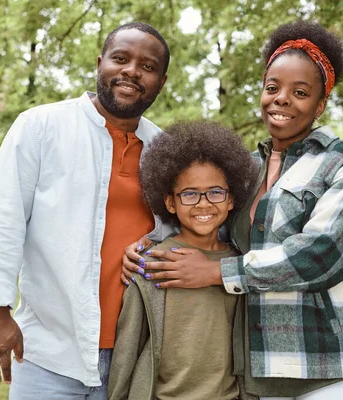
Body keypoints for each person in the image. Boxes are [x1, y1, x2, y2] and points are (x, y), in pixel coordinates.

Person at [123, 21, 343, 400]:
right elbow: (204, 220)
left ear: (320, 104)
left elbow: (322, 255)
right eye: (272, 88)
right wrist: (146, 246)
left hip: (338, 365)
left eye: (300, 92)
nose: (281, 99)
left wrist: (218, 272)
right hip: (264, 371)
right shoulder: (245, 171)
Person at [0, 22, 172, 400]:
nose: (131, 71)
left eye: (148, 66)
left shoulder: (164, 148)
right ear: (100, 63)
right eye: (120, 59)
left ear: (161, 80)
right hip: (49, 351)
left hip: (135, 352)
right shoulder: (42, 126)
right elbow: (0, 218)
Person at [108, 121, 258, 400]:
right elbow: (128, 348)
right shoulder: (151, 263)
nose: (203, 204)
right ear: (170, 202)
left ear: (231, 199)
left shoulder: (240, 265)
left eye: (215, 192)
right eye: (189, 194)